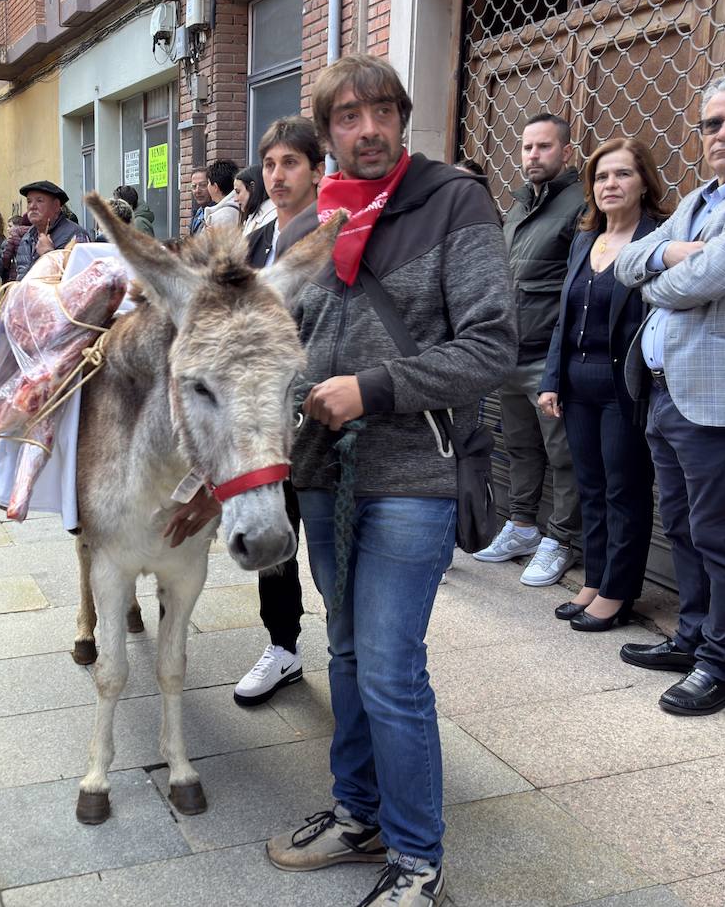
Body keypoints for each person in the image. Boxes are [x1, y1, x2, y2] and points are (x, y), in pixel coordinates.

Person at [263, 56, 515, 907]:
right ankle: (358, 812)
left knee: (389, 668)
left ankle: (417, 856)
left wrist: (371, 388)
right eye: (348, 115)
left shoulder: (453, 201)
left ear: (402, 118)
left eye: (381, 111)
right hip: (323, 473)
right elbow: (283, 348)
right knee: (343, 651)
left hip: (415, 474)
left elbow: (491, 346)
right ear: (327, 131)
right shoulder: (309, 225)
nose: (367, 128)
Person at [614, 75, 725, 717]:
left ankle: (722, 664)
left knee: (720, 532)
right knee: (683, 525)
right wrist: (673, 255)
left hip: (724, 400)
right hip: (667, 390)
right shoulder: (698, 196)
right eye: (712, 124)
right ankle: (692, 636)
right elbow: (625, 261)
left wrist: (659, 269)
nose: (723, 134)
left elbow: (695, 283)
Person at [538, 139, 667, 631]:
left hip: (624, 389)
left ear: (644, 182)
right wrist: (552, 380)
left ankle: (618, 591)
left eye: (623, 174)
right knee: (590, 487)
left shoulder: (656, 240)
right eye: (601, 176)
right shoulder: (584, 239)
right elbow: (563, 319)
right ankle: (594, 579)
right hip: (577, 387)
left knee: (624, 490)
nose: (610, 184)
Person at [234, 117, 326, 706]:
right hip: (269, 420)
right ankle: (283, 646)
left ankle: (351, 648)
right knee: (275, 531)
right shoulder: (257, 239)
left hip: (327, 415)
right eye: (269, 164)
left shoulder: (336, 233)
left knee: (333, 544)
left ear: (317, 170)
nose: (277, 175)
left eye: (290, 162)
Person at [472, 112, 585, 587]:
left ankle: (562, 538)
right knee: (519, 447)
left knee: (564, 455)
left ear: (566, 151)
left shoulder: (581, 205)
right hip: (511, 352)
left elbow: (578, 287)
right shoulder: (519, 206)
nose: (533, 155)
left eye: (544, 146)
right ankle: (521, 526)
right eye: (527, 147)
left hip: (549, 356)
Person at [10, 179, 88, 280]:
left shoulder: (76, 235)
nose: (32, 206)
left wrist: (48, 254)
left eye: (39, 201)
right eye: (29, 201)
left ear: (56, 206)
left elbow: (81, 281)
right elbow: (22, 276)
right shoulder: (27, 237)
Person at [235, 164, 276, 236]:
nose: (235, 199)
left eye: (238, 192)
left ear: (252, 187)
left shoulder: (272, 217)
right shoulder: (254, 216)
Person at [202, 159, 242, 229]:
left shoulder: (221, 217)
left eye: (208, 183)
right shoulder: (242, 207)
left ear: (215, 187)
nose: (207, 187)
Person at [188, 167, 212, 236]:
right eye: (194, 186)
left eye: (203, 185)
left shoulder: (219, 213)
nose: (197, 191)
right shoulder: (198, 213)